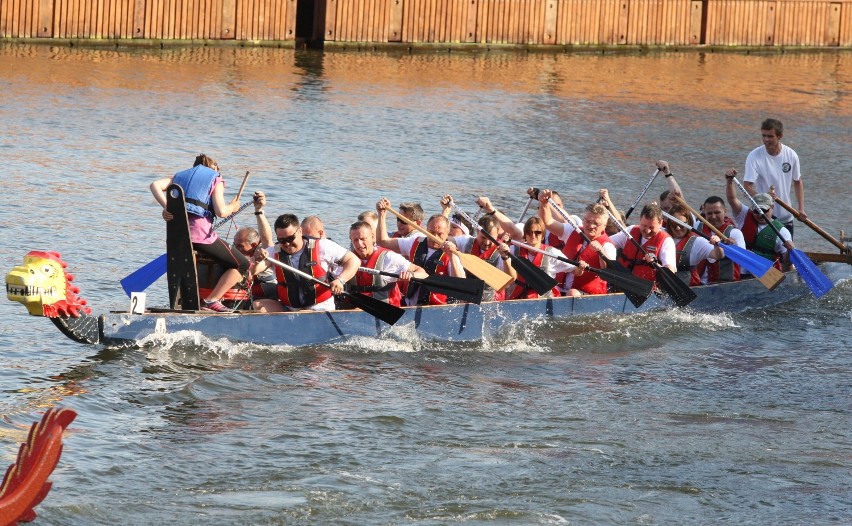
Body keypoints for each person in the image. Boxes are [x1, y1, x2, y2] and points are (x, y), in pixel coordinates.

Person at [149, 154, 250, 313]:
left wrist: (168, 207)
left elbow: (154, 185)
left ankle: (184, 303)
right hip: (200, 237)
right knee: (242, 264)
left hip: (176, 237)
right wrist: (233, 206)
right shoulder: (215, 178)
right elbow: (221, 211)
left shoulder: (179, 176)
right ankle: (212, 300)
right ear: (214, 167)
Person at [253, 214, 360, 312]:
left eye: (290, 238)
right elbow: (254, 270)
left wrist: (341, 280)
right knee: (258, 305)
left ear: (300, 231)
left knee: (305, 312)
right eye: (282, 240)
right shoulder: (274, 251)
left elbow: (353, 260)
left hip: (319, 308)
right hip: (290, 308)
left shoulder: (323, 246)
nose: (287, 243)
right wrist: (257, 260)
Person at [376, 198, 466, 306]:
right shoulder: (415, 241)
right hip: (409, 304)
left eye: (440, 234)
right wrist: (381, 214)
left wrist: (452, 256)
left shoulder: (452, 254)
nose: (434, 237)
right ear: (426, 229)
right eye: (431, 232)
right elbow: (383, 242)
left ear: (447, 234)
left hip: (435, 307)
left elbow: (461, 286)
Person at [535, 192, 615, 296]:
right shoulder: (572, 231)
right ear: (583, 220)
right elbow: (548, 222)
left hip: (588, 293)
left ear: (604, 225)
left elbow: (608, 273)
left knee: (572, 293)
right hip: (560, 287)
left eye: (596, 223)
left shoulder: (607, 246)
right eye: (588, 221)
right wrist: (544, 204)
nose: (591, 226)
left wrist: (601, 252)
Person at [743, 118, 805, 237]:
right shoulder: (754, 156)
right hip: (763, 217)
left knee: (786, 254)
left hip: (786, 217)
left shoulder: (791, 155)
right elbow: (747, 185)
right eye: (764, 136)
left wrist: (801, 209)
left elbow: (797, 182)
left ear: (780, 136)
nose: (766, 140)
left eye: (770, 136)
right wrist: (764, 198)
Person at [346, 221, 428, 306]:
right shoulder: (347, 259)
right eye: (355, 240)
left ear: (372, 237)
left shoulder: (389, 258)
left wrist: (411, 275)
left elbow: (423, 273)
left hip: (385, 310)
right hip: (355, 309)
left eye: (363, 239)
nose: (359, 244)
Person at [725, 170, 794, 270]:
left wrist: (789, 250)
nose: (760, 214)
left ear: (772, 207)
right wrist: (729, 181)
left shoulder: (782, 232)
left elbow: (787, 262)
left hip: (765, 273)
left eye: (764, 210)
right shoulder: (744, 215)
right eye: (756, 211)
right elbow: (732, 199)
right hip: (740, 270)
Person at [228, 191, 276, 302]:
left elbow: (267, 240)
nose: (236, 249)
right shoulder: (235, 252)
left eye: (240, 246)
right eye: (234, 245)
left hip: (266, 296)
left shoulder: (262, 252)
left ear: (254, 245)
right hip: (246, 295)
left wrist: (258, 211)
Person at [609, 203, 677, 280]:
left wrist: (656, 265)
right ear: (640, 219)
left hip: (646, 287)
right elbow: (607, 243)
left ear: (660, 223)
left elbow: (670, 270)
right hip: (622, 279)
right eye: (644, 226)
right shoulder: (630, 230)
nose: (647, 231)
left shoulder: (667, 241)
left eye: (651, 227)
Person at [665, 204, 724, 286]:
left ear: (688, 223)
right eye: (674, 224)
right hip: (664, 284)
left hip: (688, 288)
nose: (678, 228)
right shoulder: (661, 234)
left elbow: (718, 256)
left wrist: (717, 245)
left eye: (682, 225)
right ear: (669, 223)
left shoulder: (698, 242)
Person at [695, 195, 744, 283]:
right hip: (699, 283)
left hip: (724, 284)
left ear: (725, 211)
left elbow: (742, 260)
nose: (713, 217)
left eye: (717, 212)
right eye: (709, 213)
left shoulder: (735, 233)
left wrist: (732, 248)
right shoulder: (696, 227)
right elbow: (683, 213)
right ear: (704, 213)